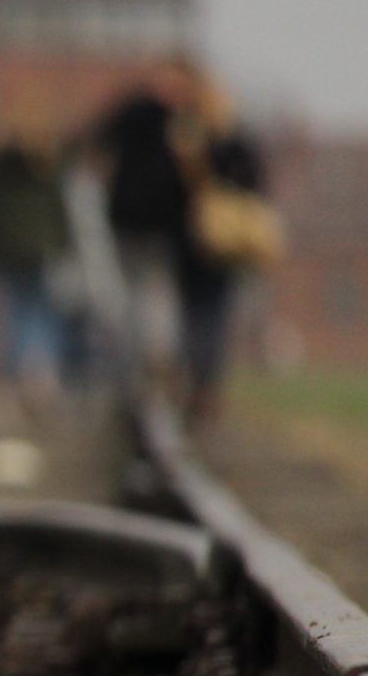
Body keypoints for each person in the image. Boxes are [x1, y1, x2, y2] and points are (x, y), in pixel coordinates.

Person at [91, 56, 200, 387]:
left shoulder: (140, 112)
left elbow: (96, 140)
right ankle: (148, 359)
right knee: (150, 293)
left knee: (144, 294)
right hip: (150, 225)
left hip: (145, 223)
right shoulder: (182, 120)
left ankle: (145, 361)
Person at [173, 78, 273, 429]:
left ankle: (203, 383)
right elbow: (258, 184)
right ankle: (204, 383)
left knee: (201, 316)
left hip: (210, 244)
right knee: (207, 316)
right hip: (209, 246)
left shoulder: (197, 144)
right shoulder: (222, 145)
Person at [0, 99, 75, 416]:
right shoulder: (51, 162)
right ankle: (43, 376)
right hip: (44, 248)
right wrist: (65, 243)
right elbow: (61, 209)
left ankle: (21, 377)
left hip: (10, 248)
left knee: (17, 312)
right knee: (45, 311)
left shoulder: (0, 163)